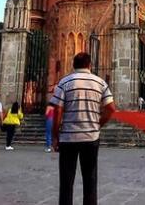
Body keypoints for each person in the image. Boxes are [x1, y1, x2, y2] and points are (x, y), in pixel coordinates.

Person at [50, 52, 116, 205]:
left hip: (68, 138)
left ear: (73, 65)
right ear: (89, 65)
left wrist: (55, 136)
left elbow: (58, 110)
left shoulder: (64, 82)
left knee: (66, 181)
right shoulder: (99, 82)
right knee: (90, 179)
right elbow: (111, 108)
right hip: (91, 138)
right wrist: (98, 124)